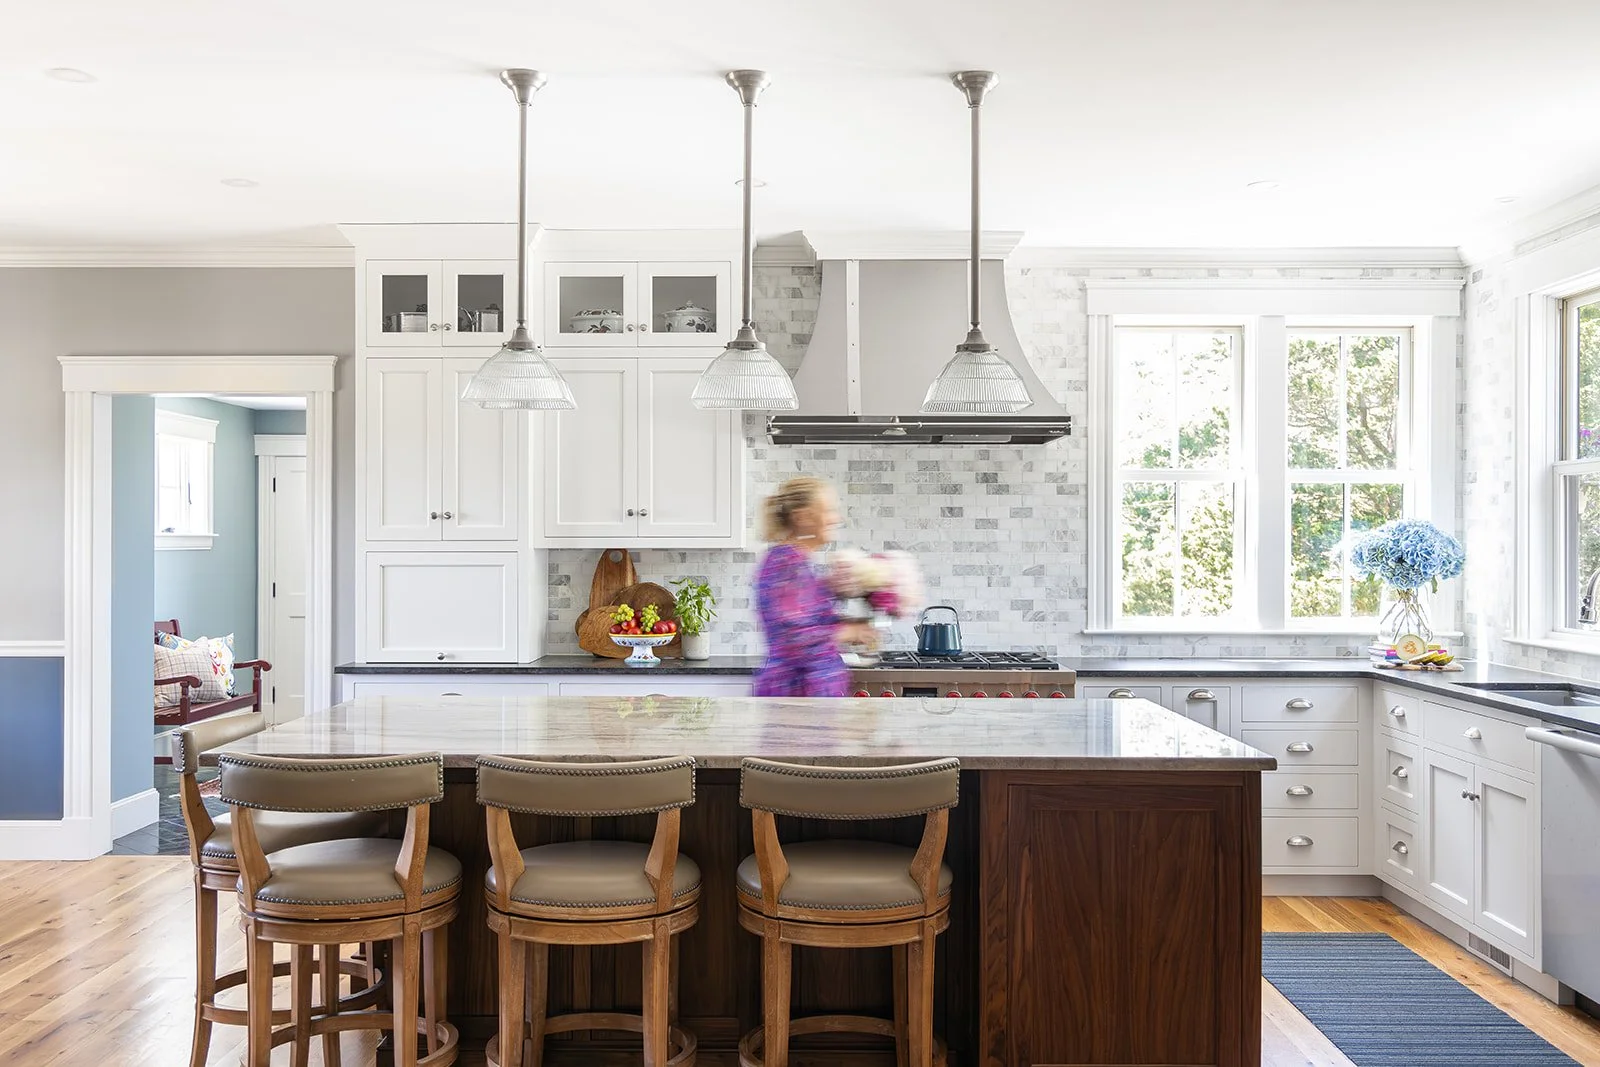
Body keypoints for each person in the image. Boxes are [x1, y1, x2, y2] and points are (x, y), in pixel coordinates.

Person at [751, 476, 878, 697]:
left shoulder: (797, 562)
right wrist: (850, 631)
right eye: (829, 511)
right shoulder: (785, 562)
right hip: (795, 698)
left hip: (809, 697)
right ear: (802, 517)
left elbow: (806, 620)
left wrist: (833, 589)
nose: (837, 518)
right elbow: (794, 639)